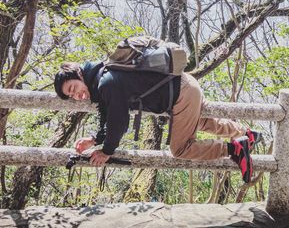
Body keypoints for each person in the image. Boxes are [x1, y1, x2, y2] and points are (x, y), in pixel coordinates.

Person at [54, 61, 262, 182]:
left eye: (73, 88)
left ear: (79, 74)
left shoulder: (106, 83)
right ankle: (245, 134)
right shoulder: (104, 76)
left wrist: (106, 151)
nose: (77, 96)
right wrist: (93, 139)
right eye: (71, 96)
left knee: (180, 149)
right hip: (184, 83)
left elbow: (118, 122)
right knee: (201, 122)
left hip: (181, 94)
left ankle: (234, 149)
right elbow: (108, 115)